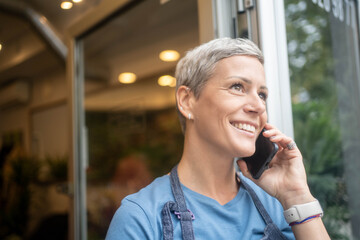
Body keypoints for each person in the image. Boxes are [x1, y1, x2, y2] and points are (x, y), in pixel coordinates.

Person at [106, 38, 330, 239]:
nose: (259, 106)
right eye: (238, 87)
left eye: (262, 95)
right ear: (187, 101)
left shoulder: (281, 204)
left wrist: (296, 195)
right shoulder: (141, 216)